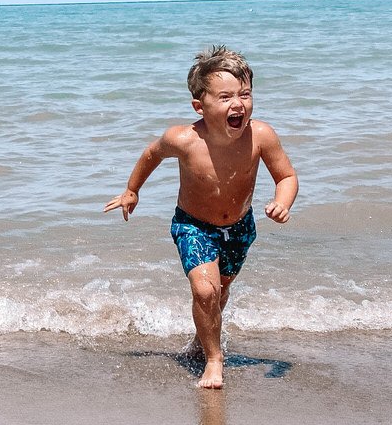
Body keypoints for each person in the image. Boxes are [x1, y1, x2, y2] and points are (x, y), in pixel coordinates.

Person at [104, 45, 297, 389]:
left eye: (245, 94)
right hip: (193, 225)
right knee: (205, 291)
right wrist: (132, 190)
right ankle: (213, 359)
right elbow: (152, 154)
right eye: (225, 97)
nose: (238, 104)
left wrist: (283, 202)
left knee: (219, 292)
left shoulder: (261, 136)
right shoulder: (184, 139)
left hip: (240, 226)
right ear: (200, 106)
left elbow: (286, 177)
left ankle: (200, 342)